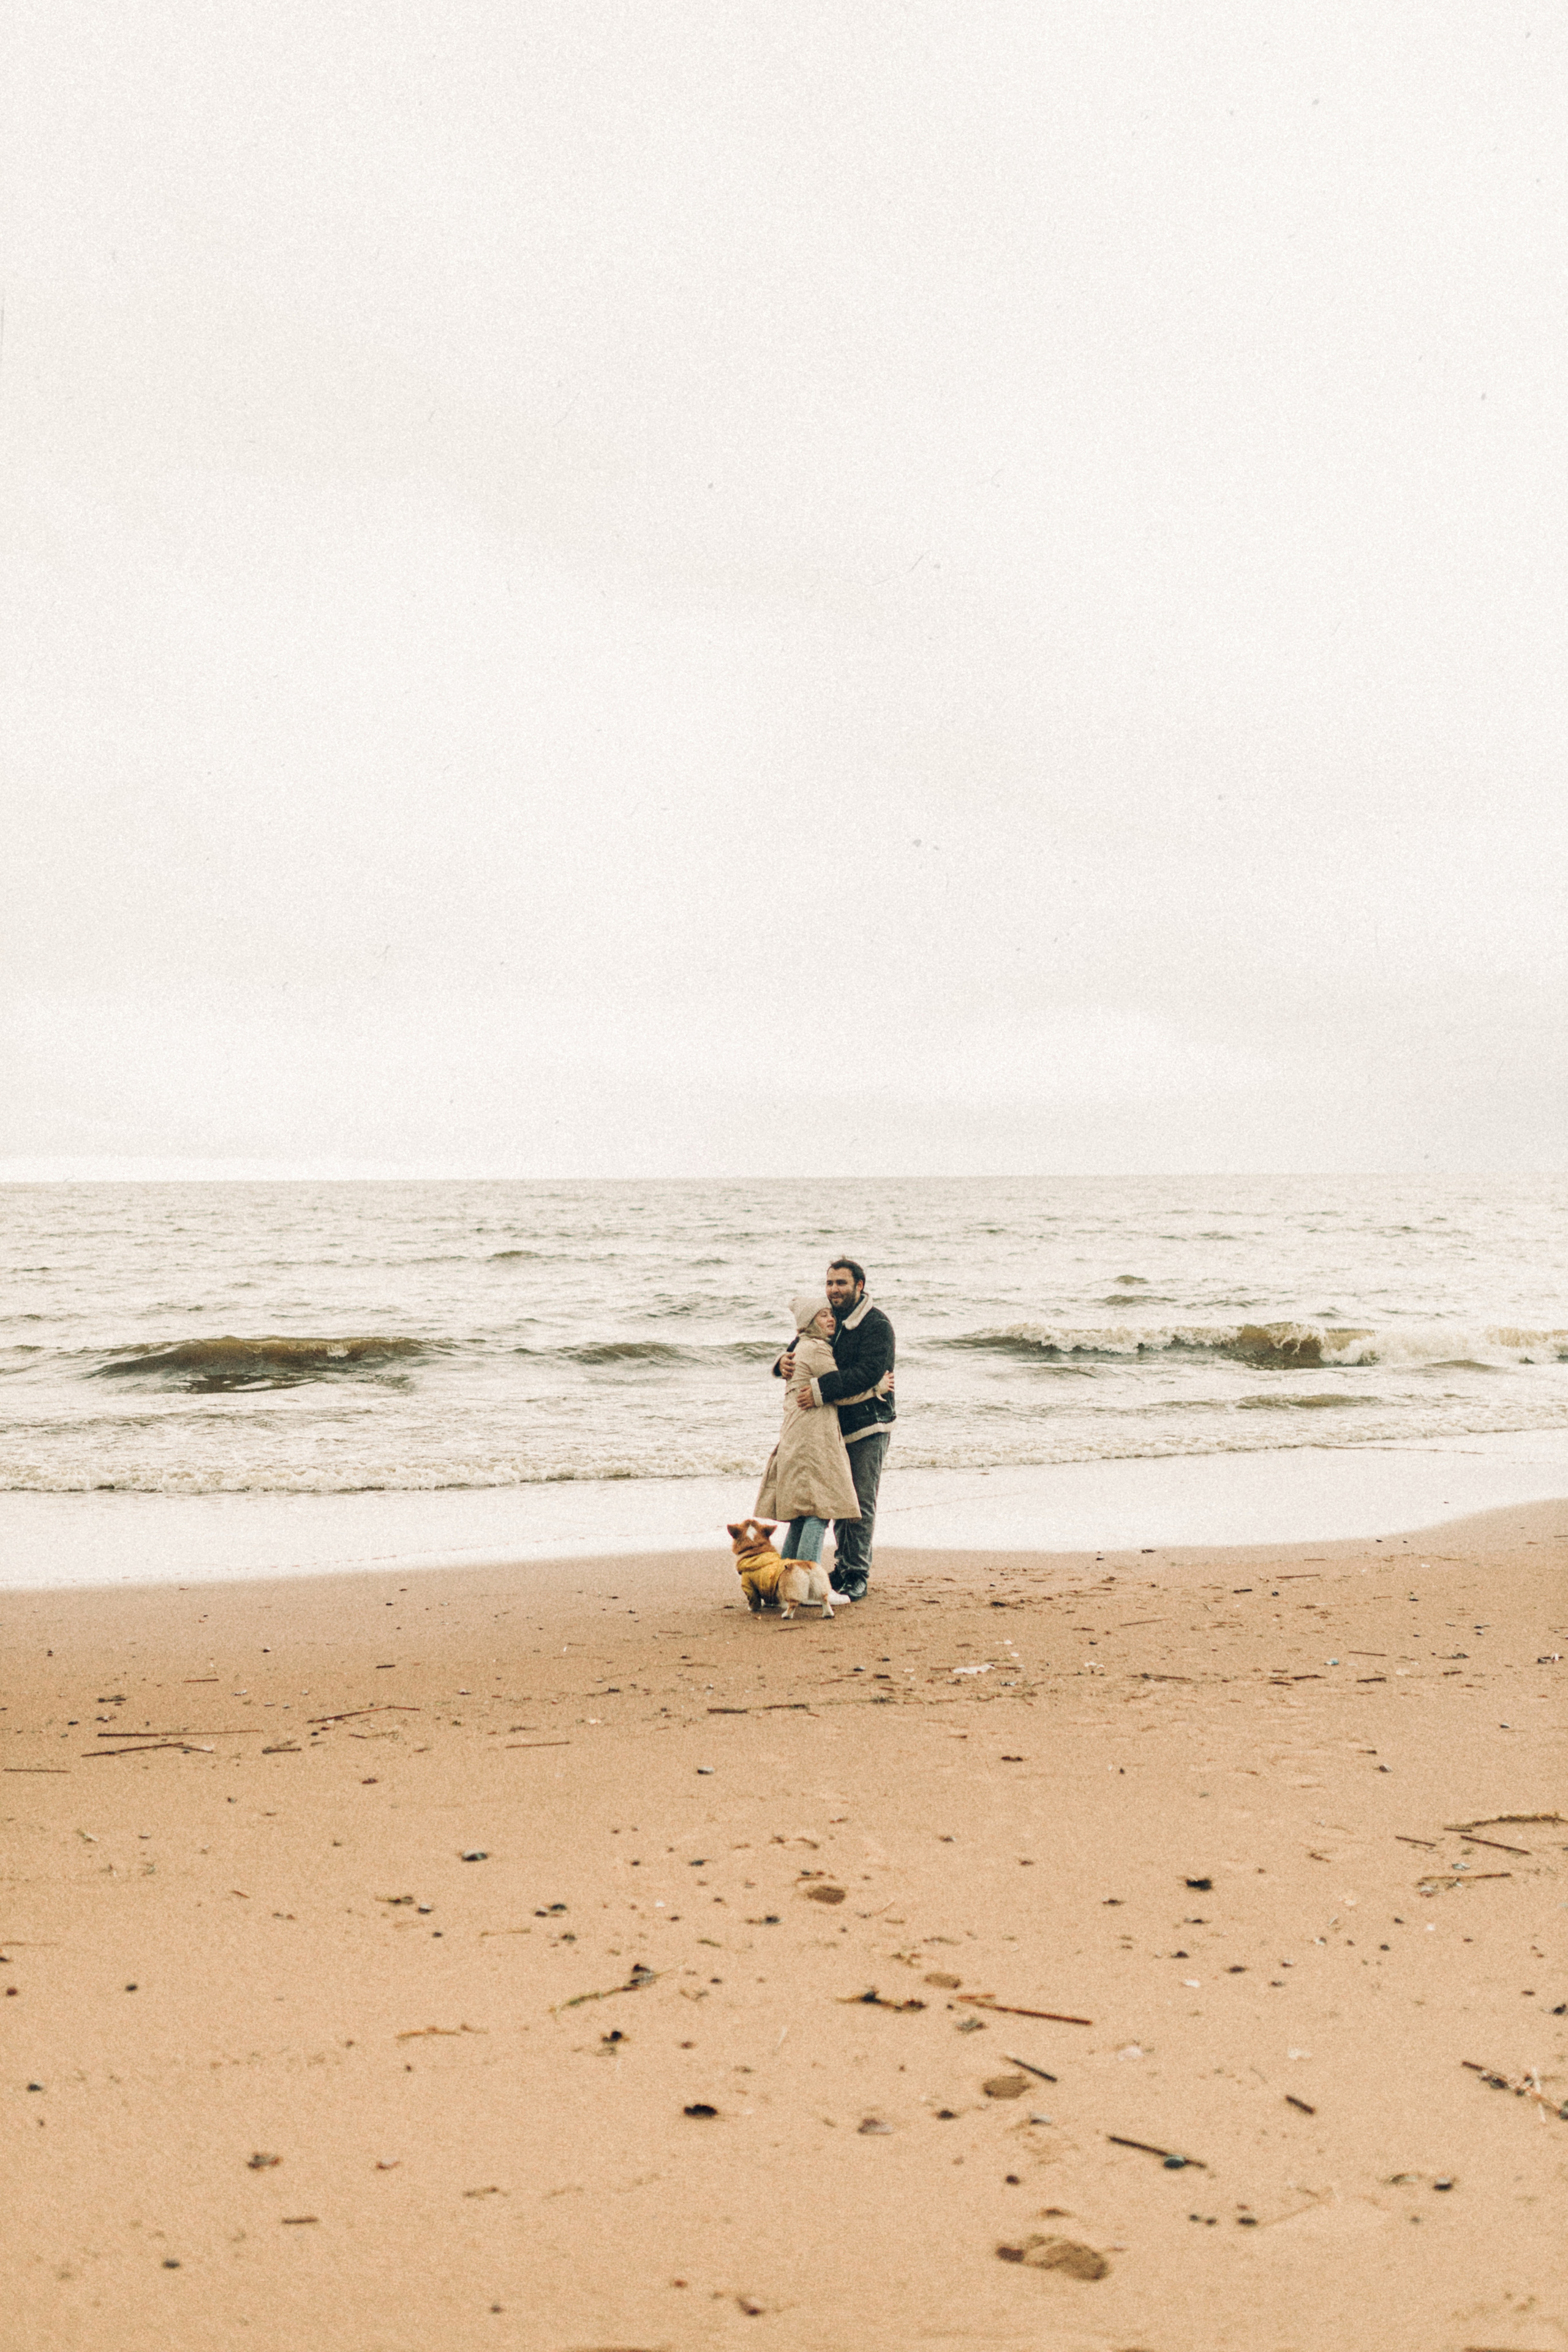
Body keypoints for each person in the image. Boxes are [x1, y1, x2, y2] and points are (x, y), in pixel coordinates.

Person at [775, 1256, 894, 1601]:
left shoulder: (876, 1325)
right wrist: (781, 1362)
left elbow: (868, 1372)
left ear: (860, 1286)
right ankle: (840, 1568)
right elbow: (802, 1345)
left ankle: (856, 1574)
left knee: (858, 1503)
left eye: (841, 1283)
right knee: (838, 1498)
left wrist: (818, 1391)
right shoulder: (829, 1319)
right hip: (832, 1426)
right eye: (829, 1283)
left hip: (869, 1423)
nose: (833, 1290)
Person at [753, 1296, 865, 1576]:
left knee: (802, 1516)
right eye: (822, 1316)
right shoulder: (816, 1350)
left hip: (796, 1436)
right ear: (808, 1323)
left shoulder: (802, 1348)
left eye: (831, 1315)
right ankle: (805, 1582)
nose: (831, 1320)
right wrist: (878, 1387)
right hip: (813, 1439)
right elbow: (841, 1390)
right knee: (818, 1511)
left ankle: (784, 1580)